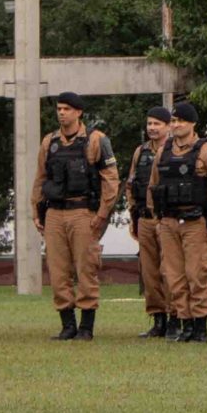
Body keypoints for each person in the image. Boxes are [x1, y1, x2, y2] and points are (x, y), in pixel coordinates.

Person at [150, 101, 207, 342]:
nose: (176, 125)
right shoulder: (162, 151)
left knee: (196, 274)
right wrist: (156, 218)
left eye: (180, 121)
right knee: (174, 276)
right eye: (173, 121)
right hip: (168, 221)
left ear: (193, 124)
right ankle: (184, 323)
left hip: (195, 222)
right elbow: (153, 186)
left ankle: (199, 325)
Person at [38, 92, 118, 340]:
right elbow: (40, 179)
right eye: (59, 108)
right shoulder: (49, 142)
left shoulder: (96, 140)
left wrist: (102, 214)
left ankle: (86, 327)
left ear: (79, 112)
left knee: (86, 269)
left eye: (67, 109)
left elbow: (111, 180)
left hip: (83, 212)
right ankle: (67, 325)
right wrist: (36, 212)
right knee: (58, 270)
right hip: (55, 213)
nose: (61, 112)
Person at [125, 102, 171, 338]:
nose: (152, 128)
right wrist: (132, 215)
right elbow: (131, 185)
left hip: (167, 219)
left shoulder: (175, 150)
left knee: (169, 270)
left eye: (157, 124)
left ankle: (176, 318)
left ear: (168, 126)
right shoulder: (140, 152)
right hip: (144, 219)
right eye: (149, 123)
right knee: (150, 273)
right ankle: (158, 318)